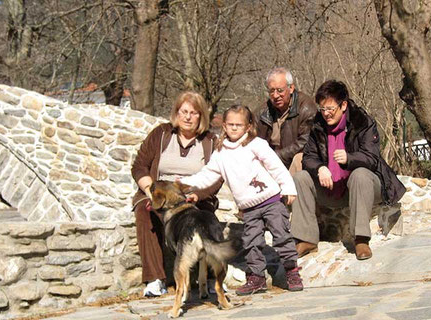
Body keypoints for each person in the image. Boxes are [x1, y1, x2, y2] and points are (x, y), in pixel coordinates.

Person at [180, 105, 304, 295]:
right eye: (230, 124)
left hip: (271, 200)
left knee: (282, 235)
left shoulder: (256, 144)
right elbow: (207, 176)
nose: (234, 128)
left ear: (248, 126)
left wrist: (288, 187)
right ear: (224, 126)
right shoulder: (220, 153)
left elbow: (275, 166)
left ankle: (291, 271)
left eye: (239, 124)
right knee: (251, 241)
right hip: (249, 208)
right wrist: (186, 184)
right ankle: (256, 277)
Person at [291, 80, 406, 260]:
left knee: (360, 174)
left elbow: (372, 157)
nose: (326, 114)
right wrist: (320, 168)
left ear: (343, 105)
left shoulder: (363, 122)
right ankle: (306, 239)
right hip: (331, 187)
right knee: (301, 178)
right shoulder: (318, 125)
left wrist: (350, 159)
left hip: (365, 186)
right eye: (322, 109)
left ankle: (360, 239)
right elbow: (308, 157)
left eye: (330, 109)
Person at [131, 91, 221, 296]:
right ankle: (155, 279)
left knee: (204, 217)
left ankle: (210, 277)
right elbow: (139, 166)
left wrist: (199, 195)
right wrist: (149, 191)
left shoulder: (209, 141)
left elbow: (217, 176)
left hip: (193, 195)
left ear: (201, 116)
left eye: (194, 113)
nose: (188, 117)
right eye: (184, 112)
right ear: (177, 113)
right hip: (159, 193)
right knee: (145, 213)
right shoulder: (160, 134)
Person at [257, 67, 317, 174]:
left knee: (299, 158)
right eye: (272, 91)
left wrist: (275, 157)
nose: (275, 96)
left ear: (291, 88)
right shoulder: (263, 111)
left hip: (294, 164)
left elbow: (305, 142)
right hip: (269, 165)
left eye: (280, 90)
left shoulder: (306, 108)